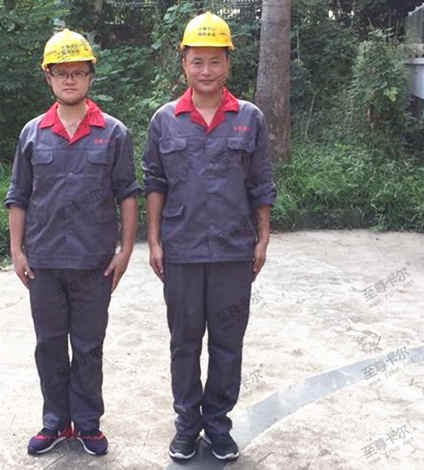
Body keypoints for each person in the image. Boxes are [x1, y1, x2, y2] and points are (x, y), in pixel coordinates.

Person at [142, 12, 276, 462]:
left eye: (214, 61)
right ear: (183, 62)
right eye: (197, 61)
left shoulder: (249, 118)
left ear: (228, 63)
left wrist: (262, 237)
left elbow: (261, 182)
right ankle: (186, 425)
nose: (205, 70)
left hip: (234, 250)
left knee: (227, 343)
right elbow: (154, 182)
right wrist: (154, 240)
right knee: (184, 342)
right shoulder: (164, 120)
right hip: (181, 250)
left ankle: (218, 425)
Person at [4, 28, 141, 457]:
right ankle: (55, 422)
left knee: (88, 346)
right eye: (61, 73)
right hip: (43, 262)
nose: (70, 80)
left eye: (78, 72)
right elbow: (18, 195)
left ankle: (87, 423)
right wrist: (17, 250)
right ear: (48, 77)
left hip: (93, 263)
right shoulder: (32, 133)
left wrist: (125, 251)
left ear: (90, 77)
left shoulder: (113, 133)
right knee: (49, 345)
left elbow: (128, 194)